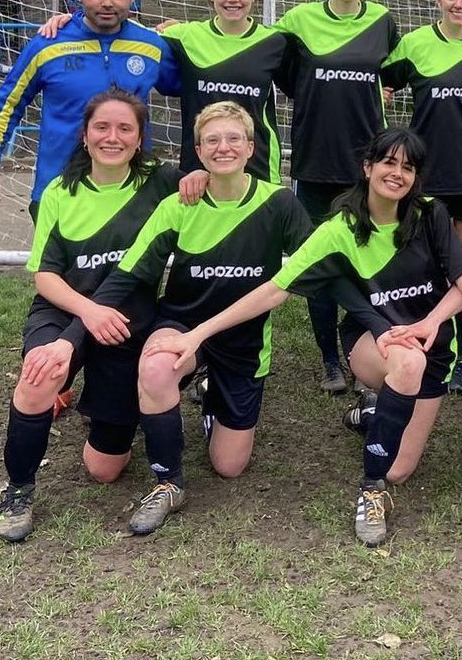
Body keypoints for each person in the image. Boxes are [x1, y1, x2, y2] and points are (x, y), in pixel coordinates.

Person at [145, 126, 462, 547]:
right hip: (374, 343)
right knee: (405, 365)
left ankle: (371, 416)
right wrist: (197, 333)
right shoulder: (339, 229)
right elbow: (274, 289)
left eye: (408, 167)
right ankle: (370, 492)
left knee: (402, 464)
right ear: (367, 167)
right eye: (388, 162)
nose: (397, 173)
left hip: (433, 345)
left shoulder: (430, 213)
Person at [84, 101, 314, 536]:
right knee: (156, 366)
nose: (222, 147)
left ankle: (213, 402)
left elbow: (316, 266)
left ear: (250, 147)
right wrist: (80, 325)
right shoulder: (179, 204)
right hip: (182, 326)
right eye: (212, 140)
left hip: (242, 341)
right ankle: (168, 482)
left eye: (232, 139)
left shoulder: (280, 203)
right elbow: (127, 275)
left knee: (229, 467)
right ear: (199, 151)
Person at [0, 90, 185, 541]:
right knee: (41, 374)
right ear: (85, 135)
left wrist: (195, 181)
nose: (112, 137)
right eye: (102, 127)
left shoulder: (162, 182)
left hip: (128, 323)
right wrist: (89, 311)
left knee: (104, 469)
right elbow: (45, 277)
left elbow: (216, 175)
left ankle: (105, 404)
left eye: (125, 129)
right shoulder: (60, 192)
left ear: (140, 139)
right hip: (65, 310)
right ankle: (19, 490)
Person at [275, 0, 400, 394]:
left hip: (367, 167)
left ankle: (361, 348)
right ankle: (328, 356)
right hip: (313, 162)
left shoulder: (384, 21)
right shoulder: (297, 21)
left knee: (367, 261)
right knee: (319, 262)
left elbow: (393, 74)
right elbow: (285, 76)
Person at [0, 0, 179, 216]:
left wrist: (187, 34)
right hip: (59, 192)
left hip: (132, 194)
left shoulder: (152, 45)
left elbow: (195, 87)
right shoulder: (48, 43)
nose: (107, 2)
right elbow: (8, 103)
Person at [380, 0, 462, 394]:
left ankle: (456, 355)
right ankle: (413, 345)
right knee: (422, 270)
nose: (459, 3)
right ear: (438, 0)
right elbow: (379, 81)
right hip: (425, 177)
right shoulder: (413, 45)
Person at [157, 0, 290, 183]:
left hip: (257, 164)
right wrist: (74, 22)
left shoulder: (275, 42)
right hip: (199, 167)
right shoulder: (183, 37)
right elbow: (131, 37)